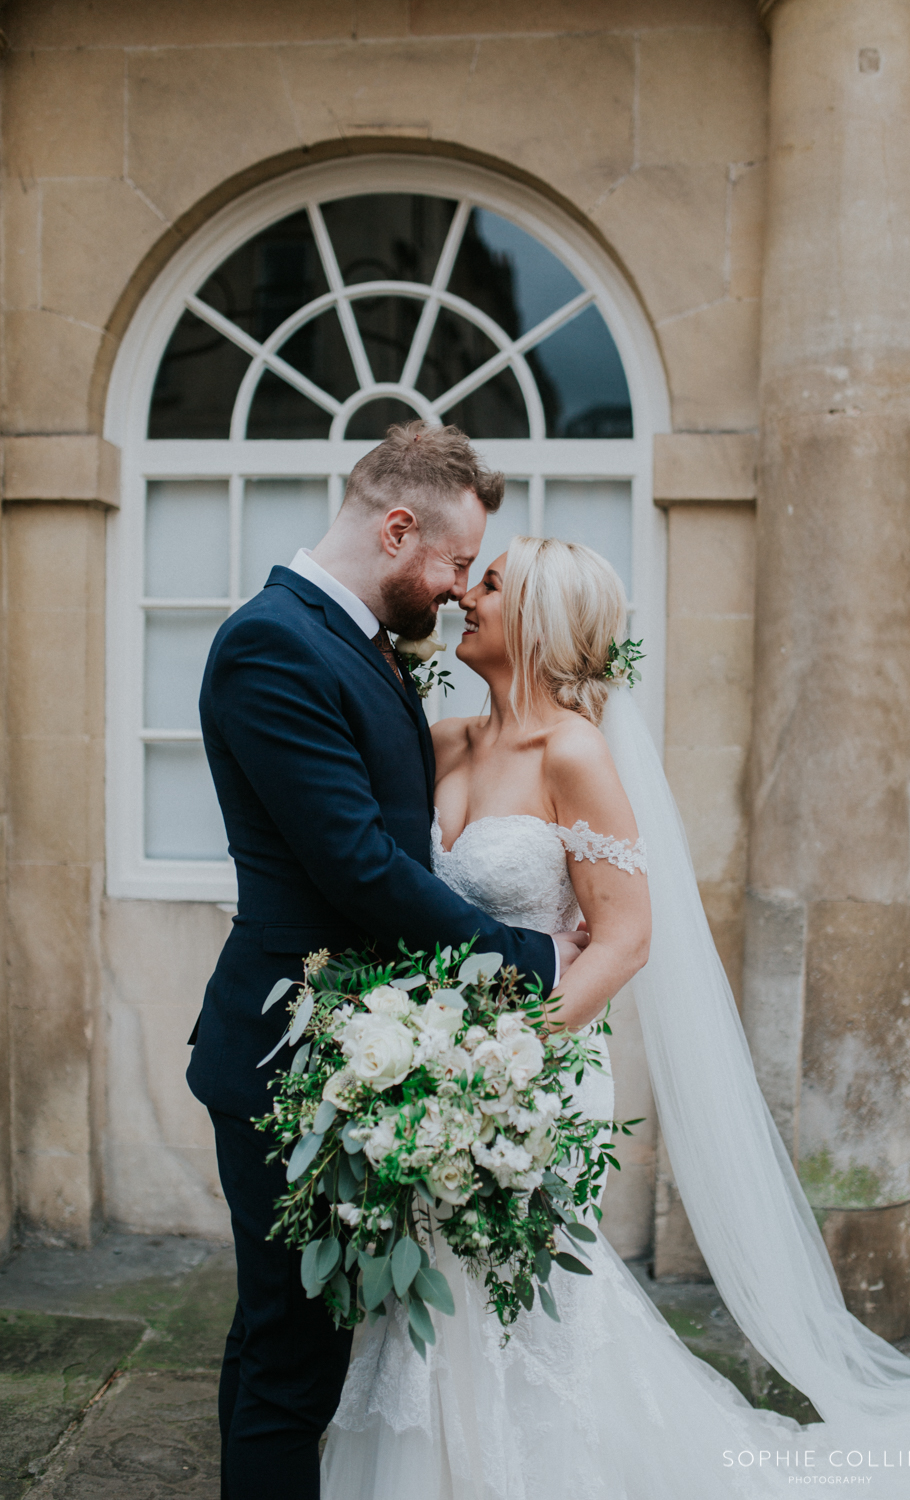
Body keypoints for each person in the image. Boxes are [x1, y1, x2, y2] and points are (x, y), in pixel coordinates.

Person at [320, 535, 910, 1498]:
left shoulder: (576, 753)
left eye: (494, 586)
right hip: (430, 1072)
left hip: (534, 1077)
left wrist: (512, 1062)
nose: (468, 596)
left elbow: (625, 939)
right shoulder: (440, 741)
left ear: (544, 620)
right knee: (431, 1298)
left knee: (521, 1303)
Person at [187, 424, 589, 1500]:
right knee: (290, 1358)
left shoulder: (356, 640)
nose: (461, 592)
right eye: (457, 565)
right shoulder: (275, 642)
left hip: (345, 1044)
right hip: (284, 1047)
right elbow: (363, 870)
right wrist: (529, 959)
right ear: (396, 527)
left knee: (289, 1336)